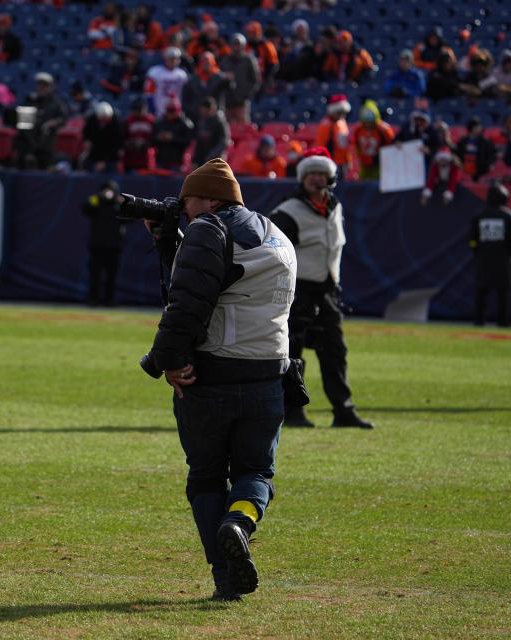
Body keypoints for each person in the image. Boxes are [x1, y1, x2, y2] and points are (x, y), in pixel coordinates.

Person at [142, 158, 296, 601]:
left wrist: (165, 361)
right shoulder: (276, 233)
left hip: (211, 377)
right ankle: (241, 522)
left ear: (210, 197)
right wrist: (168, 243)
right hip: (269, 376)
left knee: (207, 478)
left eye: (188, 199)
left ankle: (224, 574)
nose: (183, 209)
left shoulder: (209, 229)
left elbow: (187, 302)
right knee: (256, 472)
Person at [269, 148, 374, 429]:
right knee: (293, 354)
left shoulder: (334, 206)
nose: (316, 179)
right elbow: (273, 255)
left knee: (335, 352)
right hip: (297, 291)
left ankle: (343, 410)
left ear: (331, 177)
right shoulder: (287, 211)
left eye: (322, 173)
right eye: (311, 173)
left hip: (327, 291)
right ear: (302, 178)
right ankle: (292, 412)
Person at [469, 183, 511, 326]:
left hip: (484, 258)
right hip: (502, 259)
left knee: (482, 290)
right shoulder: (508, 217)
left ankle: (479, 321)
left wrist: (477, 252)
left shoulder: (479, 216)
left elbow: (472, 240)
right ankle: (503, 322)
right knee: (502, 292)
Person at [81, 180, 127, 306]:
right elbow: (85, 207)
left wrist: (124, 204)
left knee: (111, 276)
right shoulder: (96, 202)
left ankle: (109, 300)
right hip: (97, 246)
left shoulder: (119, 205)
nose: (108, 193)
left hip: (114, 247)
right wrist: (98, 197)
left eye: (110, 190)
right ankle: (93, 299)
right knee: (94, 275)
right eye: (105, 190)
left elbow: (130, 219)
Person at [350, 100, 395, 181]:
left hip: (380, 164)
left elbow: (391, 146)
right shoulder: (358, 130)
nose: (368, 124)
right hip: (364, 163)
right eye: (366, 122)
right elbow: (355, 146)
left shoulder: (383, 130)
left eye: (370, 122)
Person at [314, 94, 352, 177]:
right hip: (331, 162)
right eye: (339, 113)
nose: (342, 115)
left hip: (342, 163)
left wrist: (348, 160)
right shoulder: (326, 125)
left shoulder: (342, 122)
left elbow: (345, 146)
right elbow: (321, 145)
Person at [144, 46, 188, 118]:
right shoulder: (155, 72)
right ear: (165, 59)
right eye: (171, 58)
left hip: (177, 111)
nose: (174, 61)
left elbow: (186, 94)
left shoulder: (182, 74)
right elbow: (149, 93)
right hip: (159, 109)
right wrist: (152, 110)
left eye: (176, 58)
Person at [151, 99, 193, 172]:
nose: (170, 113)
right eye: (168, 110)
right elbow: (152, 139)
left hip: (177, 162)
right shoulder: (160, 122)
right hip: (161, 161)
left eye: (172, 110)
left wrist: (172, 138)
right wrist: (159, 137)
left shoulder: (185, 124)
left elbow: (188, 142)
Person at [456, 117, 497, 182]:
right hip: (465, 169)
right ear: (472, 128)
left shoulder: (485, 141)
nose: (480, 128)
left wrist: (489, 164)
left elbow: (492, 154)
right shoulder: (463, 141)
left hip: (481, 170)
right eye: (478, 127)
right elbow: (458, 153)